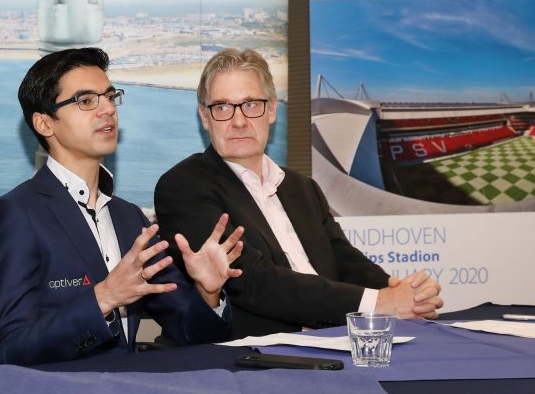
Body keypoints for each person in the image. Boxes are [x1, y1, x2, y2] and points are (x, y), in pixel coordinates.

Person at [0, 47, 243, 365]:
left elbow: (194, 334)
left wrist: (208, 292)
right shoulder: (15, 214)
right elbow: (9, 351)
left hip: (127, 388)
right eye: (86, 101)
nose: (107, 109)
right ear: (45, 124)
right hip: (58, 393)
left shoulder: (130, 218)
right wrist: (103, 298)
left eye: (110, 96)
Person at [154, 48, 442, 337]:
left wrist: (401, 292)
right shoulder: (183, 187)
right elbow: (253, 281)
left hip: (336, 341)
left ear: (272, 110)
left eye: (251, 104)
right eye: (222, 108)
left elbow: (344, 259)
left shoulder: (302, 187)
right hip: (260, 353)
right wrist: (379, 303)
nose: (239, 121)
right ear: (205, 117)